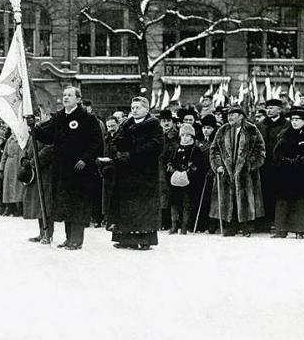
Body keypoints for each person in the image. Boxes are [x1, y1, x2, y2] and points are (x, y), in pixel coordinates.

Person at [33, 86, 103, 250]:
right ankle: (68, 237)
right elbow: (48, 137)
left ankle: (76, 239)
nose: (65, 98)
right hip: (62, 169)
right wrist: (34, 128)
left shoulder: (87, 118)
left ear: (78, 99)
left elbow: (96, 142)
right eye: (64, 95)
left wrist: (85, 159)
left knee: (77, 204)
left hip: (79, 169)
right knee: (65, 204)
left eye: (69, 95)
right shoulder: (59, 117)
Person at [103, 96, 163, 250]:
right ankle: (125, 238)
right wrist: (117, 152)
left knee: (143, 207)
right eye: (132, 107)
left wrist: (133, 153)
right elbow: (115, 140)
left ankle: (144, 239)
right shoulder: (127, 123)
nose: (134, 110)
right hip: (126, 172)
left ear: (146, 109)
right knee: (126, 206)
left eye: (137, 107)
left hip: (145, 173)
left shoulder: (154, 124)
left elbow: (156, 146)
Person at [209, 106, 266, 237]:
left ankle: (246, 226)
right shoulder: (223, 130)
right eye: (228, 115)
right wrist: (218, 165)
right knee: (228, 198)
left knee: (246, 199)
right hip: (226, 172)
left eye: (233, 114)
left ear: (241, 116)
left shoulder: (252, 129)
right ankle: (230, 225)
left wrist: (249, 165)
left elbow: (260, 150)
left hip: (246, 174)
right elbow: (214, 150)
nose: (230, 117)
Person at [272, 107, 304, 239]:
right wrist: (284, 161)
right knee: (284, 202)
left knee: (301, 202)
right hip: (286, 174)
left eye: (297, 120)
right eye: (292, 120)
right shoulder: (284, 134)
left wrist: (303, 161)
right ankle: (281, 229)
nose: (294, 122)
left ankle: (300, 229)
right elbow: (277, 153)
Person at [165, 123, 205, 235]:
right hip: (176, 179)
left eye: (188, 136)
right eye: (183, 135)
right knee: (174, 203)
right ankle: (174, 225)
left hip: (189, 181)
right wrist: (173, 168)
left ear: (192, 137)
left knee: (186, 203)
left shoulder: (195, 150)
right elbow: (171, 161)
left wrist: (189, 172)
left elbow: (198, 165)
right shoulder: (177, 149)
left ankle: (184, 226)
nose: (185, 138)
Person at [258, 98, 289, 232]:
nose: (269, 110)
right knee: (265, 193)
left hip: (280, 165)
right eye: (268, 108)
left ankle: (278, 222)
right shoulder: (261, 125)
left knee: (279, 194)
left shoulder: (286, 125)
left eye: (272, 108)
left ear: (280, 110)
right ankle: (265, 222)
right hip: (264, 165)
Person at [22, 140, 54, 244]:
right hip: (34, 172)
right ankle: (42, 232)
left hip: (45, 172)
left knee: (45, 203)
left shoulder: (49, 130)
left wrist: (32, 162)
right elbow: (27, 148)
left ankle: (47, 233)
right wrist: (24, 160)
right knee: (38, 203)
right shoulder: (35, 130)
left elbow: (49, 149)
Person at [0, 131, 25, 217]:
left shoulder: (22, 140)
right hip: (9, 166)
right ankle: (8, 207)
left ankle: (19, 208)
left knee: (18, 187)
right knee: (8, 187)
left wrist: (22, 167)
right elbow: (4, 155)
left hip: (17, 165)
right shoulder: (9, 140)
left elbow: (23, 154)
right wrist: (1, 168)